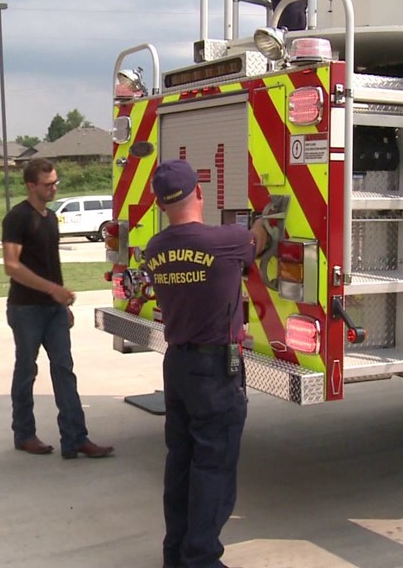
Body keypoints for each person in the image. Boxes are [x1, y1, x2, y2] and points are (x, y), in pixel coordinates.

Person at [144, 160, 268, 568]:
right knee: (214, 465)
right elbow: (259, 239)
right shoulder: (226, 241)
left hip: (176, 364)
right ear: (199, 193)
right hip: (215, 370)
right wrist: (270, 215)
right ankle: (200, 559)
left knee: (180, 463)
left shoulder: (155, 249)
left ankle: (175, 554)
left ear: (162, 204)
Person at [2, 157, 114, 460]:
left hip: (53, 311)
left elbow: (52, 265)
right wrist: (53, 290)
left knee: (64, 369)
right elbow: (11, 266)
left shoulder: (51, 218)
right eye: (48, 184)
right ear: (31, 185)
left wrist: (62, 303)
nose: (54, 188)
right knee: (26, 370)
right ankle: (24, 434)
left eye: (56, 183)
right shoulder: (17, 218)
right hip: (26, 309)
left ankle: (76, 438)